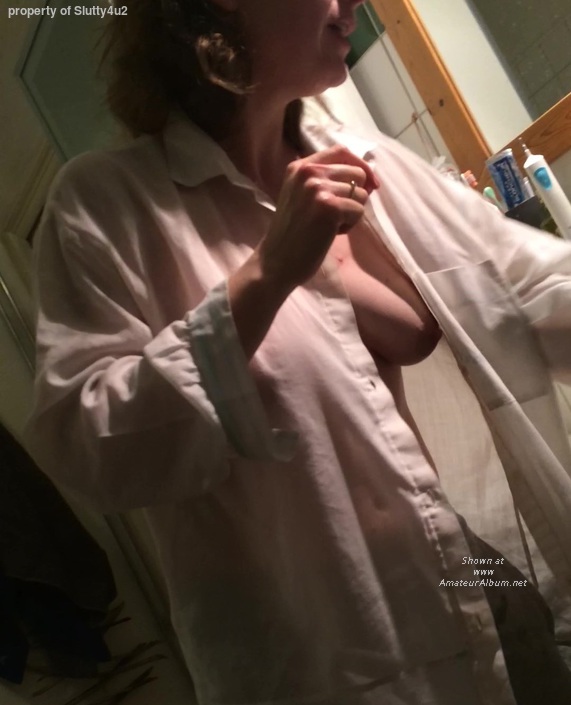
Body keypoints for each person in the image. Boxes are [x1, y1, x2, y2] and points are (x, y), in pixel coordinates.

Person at [25, 0, 571, 703]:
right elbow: (93, 446)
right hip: (335, 650)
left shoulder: (369, 162)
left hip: (465, 566)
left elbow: (533, 285)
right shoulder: (105, 204)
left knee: (534, 640)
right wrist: (266, 274)